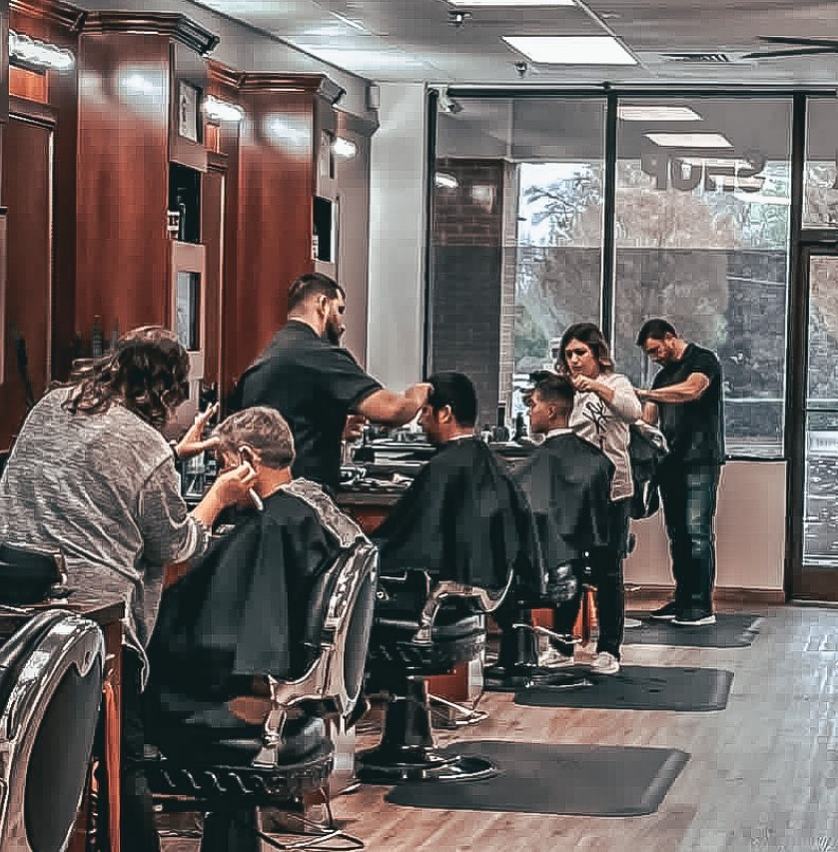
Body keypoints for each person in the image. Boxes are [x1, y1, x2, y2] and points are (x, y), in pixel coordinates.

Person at [0, 326, 257, 852]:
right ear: (168, 391)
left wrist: (171, 457)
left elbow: (94, 469)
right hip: (96, 618)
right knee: (121, 760)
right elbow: (176, 545)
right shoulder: (145, 448)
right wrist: (217, 496)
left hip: (16, 602)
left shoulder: (51, 406)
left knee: (34, 752)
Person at [144, 406, 368, 757]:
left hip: (243, 696)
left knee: (135, 679)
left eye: (222, 463)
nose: (220, 474)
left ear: (246, 458)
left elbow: (212, 635)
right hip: (303, 685)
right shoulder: (309, 504)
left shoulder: (273, 528)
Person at [235, 272, 431, 491]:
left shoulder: (270, 355)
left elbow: (286, 426)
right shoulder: (319, 355)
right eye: (340, 310)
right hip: (303, 501)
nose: (342, 325)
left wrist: (333, 428)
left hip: (264, 499)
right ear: (323, 304)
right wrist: (418, 394)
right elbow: (395, 411)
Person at [373, 371, 538, 592]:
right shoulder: (498, 465)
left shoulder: (442, 469)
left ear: (445, 413)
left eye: (424, 412)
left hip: (445, 598)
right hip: (491, 594)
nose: (420, 421)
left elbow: (409, 545)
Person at [554, 322, 642, 674]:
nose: (574, 360)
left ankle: (609, 649)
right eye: (569, 354)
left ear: (597, 353)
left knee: (607, 571)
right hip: (573, 492)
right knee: (568, 566)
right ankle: (561, 644)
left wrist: (596, 388)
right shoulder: (563, 391)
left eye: (581, 353)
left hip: (612, 491)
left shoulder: (616, 383)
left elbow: (632, 412)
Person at [513, 372, 615, 668]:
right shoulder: (595, 458)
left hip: (547, 559)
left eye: (533, 405)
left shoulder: (541, 459)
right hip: (579, 551)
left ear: (551, 410)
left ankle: (553, 645)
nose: (530, 412)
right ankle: (562, 645)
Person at [635, 318, 725, 627]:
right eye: (650, 354)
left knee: (697, 533)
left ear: (670, 338)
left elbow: (692, 391)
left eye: (656, 350)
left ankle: (701, 607)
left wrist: (646, 393)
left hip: (700, 460)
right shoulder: (662, 378)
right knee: (677, 535)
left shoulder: (703, 360)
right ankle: (683, 599)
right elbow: (647, 421)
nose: (655, 357)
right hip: (670, 463)